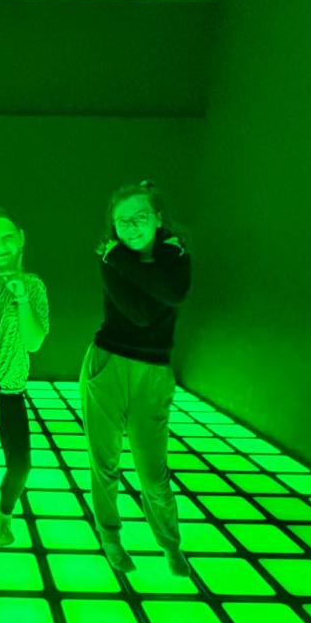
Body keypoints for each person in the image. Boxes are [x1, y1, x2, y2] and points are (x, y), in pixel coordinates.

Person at [80, 180, 192, 577]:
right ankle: (110, 537)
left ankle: (169, 544)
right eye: (121, 220)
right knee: (104, 461)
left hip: (153, 372)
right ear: (113, 224)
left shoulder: (172, 255)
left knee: (152, 471)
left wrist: (120, 260)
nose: (130, 226)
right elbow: (141, 314)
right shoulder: (108, 257)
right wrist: (127, 265)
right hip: (107, 362)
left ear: (158, 218)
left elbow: (173, 294)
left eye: (139, 216)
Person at [0, 209, 50, 551]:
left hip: (13, 390)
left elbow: (34, 343)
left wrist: (22, 298)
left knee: (20, 464)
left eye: (6, 238)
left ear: (20, 237)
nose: (0, 247)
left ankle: (5, 515)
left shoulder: (33, 285)